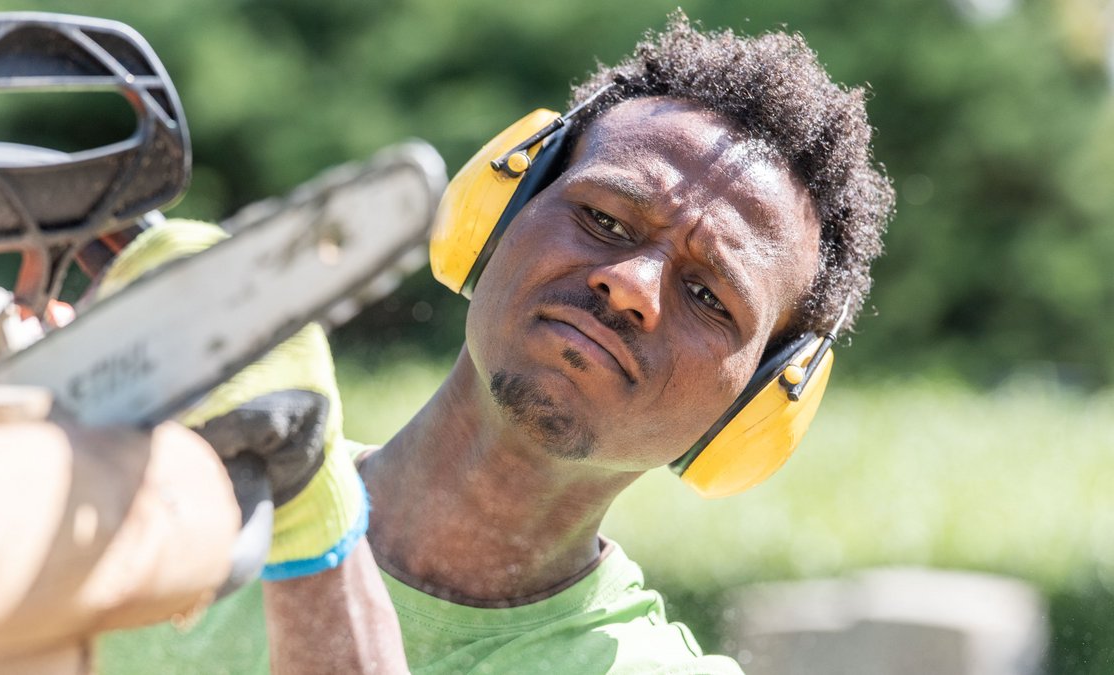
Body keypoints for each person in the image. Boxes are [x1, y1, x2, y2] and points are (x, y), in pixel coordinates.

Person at [100, 13, 894, 674]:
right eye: (604, 220)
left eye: (707, 296)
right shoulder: (167, 497)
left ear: (757, 407)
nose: (631, 286)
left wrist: (318, 536)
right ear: (497, 208)